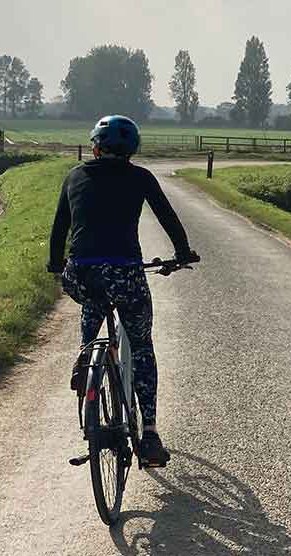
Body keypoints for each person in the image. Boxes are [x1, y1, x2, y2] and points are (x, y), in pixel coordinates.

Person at [47, 115, 198, 466]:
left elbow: (59, 229)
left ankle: (86, 353)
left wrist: (57, 266)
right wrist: (182, 252)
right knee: (142, 346)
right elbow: (168, 217)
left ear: (95, 147)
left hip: (81, 273)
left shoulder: (74, 176)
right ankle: (149, 436)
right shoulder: (140, 177)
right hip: (125, 272)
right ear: (132, 150)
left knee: (92, 302)